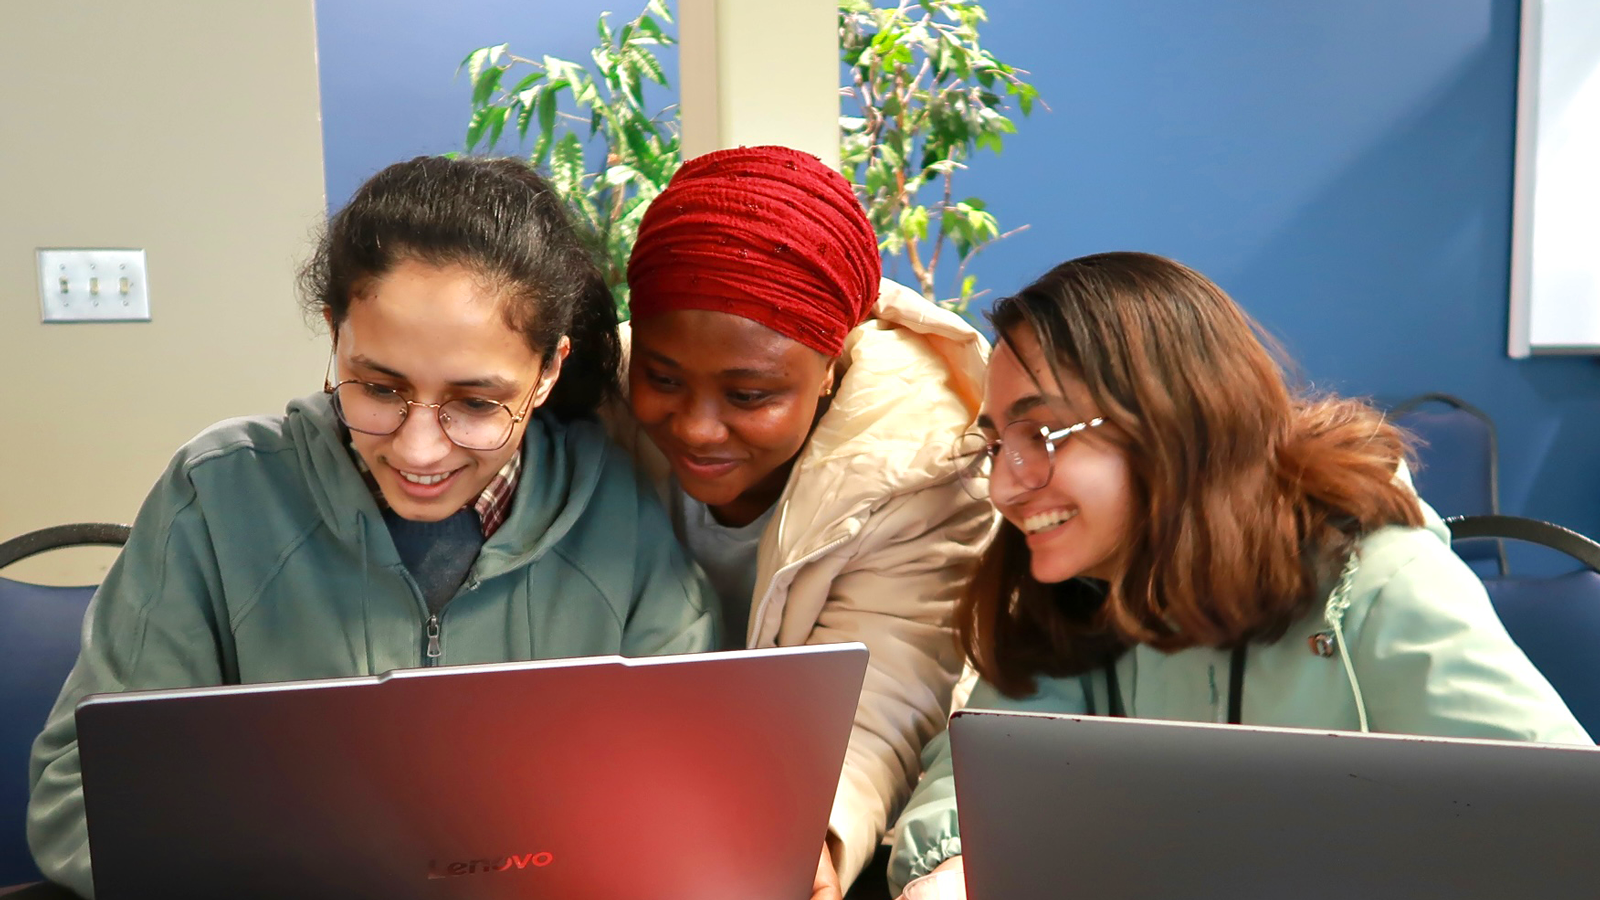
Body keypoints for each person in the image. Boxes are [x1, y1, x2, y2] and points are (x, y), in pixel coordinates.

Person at [28, 156, 717, 898]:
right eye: (380, 388)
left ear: (549, 370)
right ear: (335, 333)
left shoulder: (619, 508)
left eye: (477, 404)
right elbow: (81, 802)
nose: (419, 450)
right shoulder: (218, 495)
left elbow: (690, 800)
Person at [887, 251, 1589, 896]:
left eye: (1040, 435)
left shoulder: (1379, 582)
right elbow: (986, 768)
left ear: (1171, 416)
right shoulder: (1079, 588)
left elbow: (1564, 837)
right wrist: (945, 872)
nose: (1006, 488)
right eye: (996, 444)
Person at [616, 145, 997, 894]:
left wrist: (811, 840)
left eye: (749, 395)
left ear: (832, 366)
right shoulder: (589, 409)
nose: (696, 427)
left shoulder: (926, 461)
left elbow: (885, 691)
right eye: (662, 378)